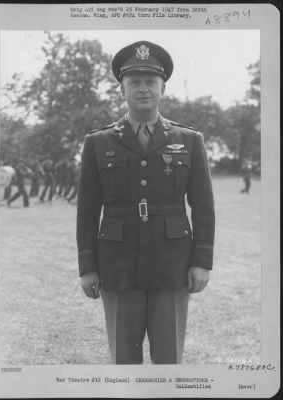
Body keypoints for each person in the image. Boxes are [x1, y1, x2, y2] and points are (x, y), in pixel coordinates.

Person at [76, 41, 215, 364]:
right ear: (122, 89)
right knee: (124, 360)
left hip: (172, 264)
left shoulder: (189, 140)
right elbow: (87, 209)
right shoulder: (98, 142)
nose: (142, 89)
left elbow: (203, 206)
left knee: (168, 359)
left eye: (150, 82)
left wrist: (202, 261)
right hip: (117, 264)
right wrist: (87, 266)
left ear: (162, 88)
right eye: (134, 82)